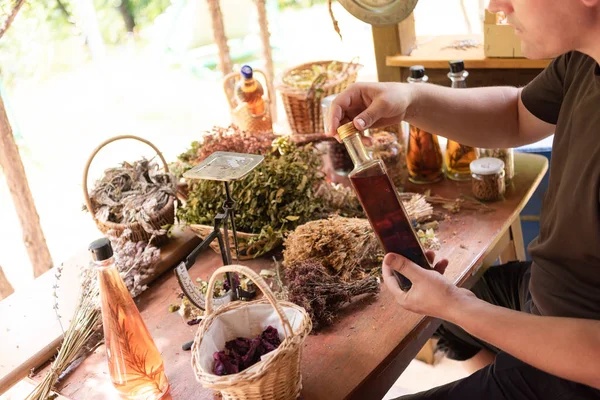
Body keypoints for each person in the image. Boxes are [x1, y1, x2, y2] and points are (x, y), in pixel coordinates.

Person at [328, 0, 600, 398]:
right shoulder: (584, 57)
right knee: (445, 312)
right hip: (548, 293)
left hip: (577, 370)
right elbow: (516, 114)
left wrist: (459, 305)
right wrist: (410, 100)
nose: (495, 6)